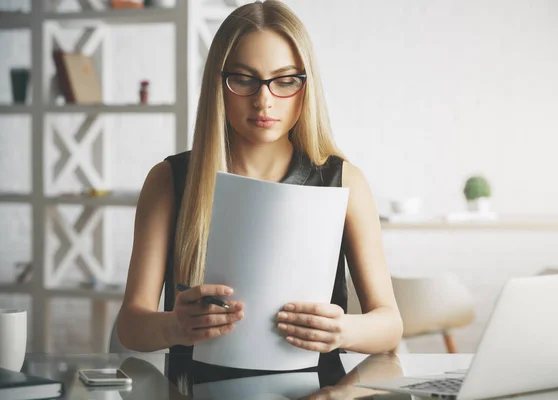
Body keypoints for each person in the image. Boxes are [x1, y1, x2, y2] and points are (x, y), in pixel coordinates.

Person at [117, 0, 403, 385]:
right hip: (195, 389)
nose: (264, 99)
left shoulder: (344, 180)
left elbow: (389, 324)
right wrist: (175, 326)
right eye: (245, 79)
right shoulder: (169, 180)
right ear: (219, 84)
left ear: (306, 86)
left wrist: (345, 331)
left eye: (285, 80)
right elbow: (131, 326)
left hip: (318, 388)